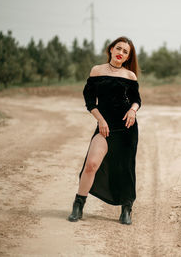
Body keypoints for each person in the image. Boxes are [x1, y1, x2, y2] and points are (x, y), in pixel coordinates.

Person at [68, 36, 141, 225]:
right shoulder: (97, 71)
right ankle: (78, 206)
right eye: (119, 48)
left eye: (126, 52)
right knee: (91, 164)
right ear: (111, 49)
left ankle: (126, 209)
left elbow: (136, 100)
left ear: (127, 57)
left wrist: (133, 110)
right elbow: (90, 101)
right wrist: (100, 120)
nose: (121, 53)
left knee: (126, 168)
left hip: (126, 127)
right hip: (104, 126)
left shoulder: (129, 76)